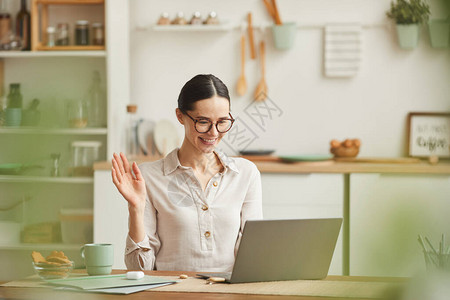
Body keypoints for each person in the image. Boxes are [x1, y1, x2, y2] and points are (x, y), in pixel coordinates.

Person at [111, 74, 262, 272]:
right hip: (171, 292)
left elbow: (254, 257)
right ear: (180, 116)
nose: (214, 133)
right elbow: (139, 270)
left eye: (222, 122)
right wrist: (136, 208)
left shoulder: (245, 173)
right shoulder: (149, 177)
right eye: (203, 122)